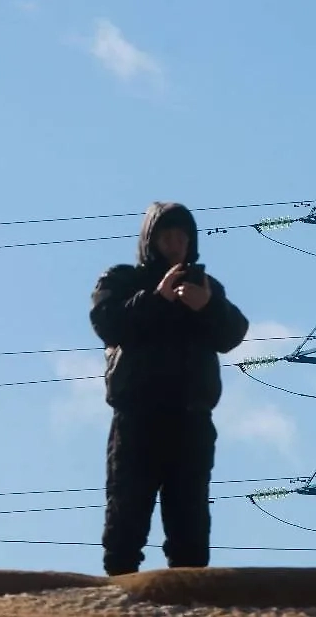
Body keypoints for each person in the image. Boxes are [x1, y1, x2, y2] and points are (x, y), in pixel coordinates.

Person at [88, 201, 249, 576]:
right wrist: (157, 298)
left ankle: (189, 598)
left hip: (191, 419)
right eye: (166, 237)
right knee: (126, 517)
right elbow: (107, 322)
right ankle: (119, 595)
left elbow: (233, 334)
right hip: (137, 418)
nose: (175, 245)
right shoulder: (123, 281)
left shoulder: (206, 288)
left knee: (190, 524)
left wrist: (207, 306)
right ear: (151, 241)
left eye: (181, 237)